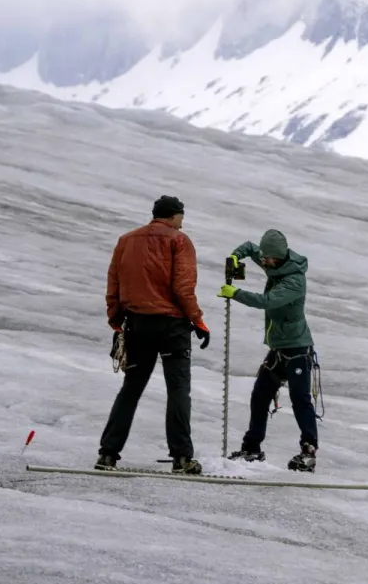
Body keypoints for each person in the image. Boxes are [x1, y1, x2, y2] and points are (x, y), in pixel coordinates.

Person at [98, 194, 210, 474]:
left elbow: (114, 283)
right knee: (178, 390)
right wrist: (198, 321)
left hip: (138, 324)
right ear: (174, 216)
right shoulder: (179, 241)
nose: (182, 223)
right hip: (172, 327)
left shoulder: (127, 241)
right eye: (181, 217)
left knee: (131, 389)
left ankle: (108, 453)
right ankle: (182, 457)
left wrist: (116, 321)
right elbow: (183, 288)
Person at [220, 229, 319, 471]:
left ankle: (308, 451)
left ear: (278, 257)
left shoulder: (294, 280)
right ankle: (252, 447)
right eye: (263, 258)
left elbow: (268, 301)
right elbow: (250, 246)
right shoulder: (275, 265)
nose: (262, 261)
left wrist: (236, 294)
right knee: (260, 395)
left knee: (300, 400)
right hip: (278, 349)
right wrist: (235, 256)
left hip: (297, 349)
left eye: (266, 259)